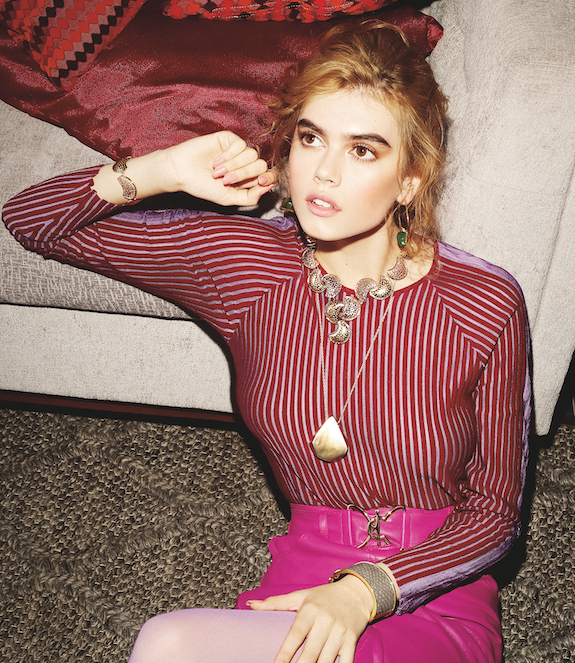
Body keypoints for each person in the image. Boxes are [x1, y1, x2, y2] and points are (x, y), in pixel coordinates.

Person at [2, 20, 530, 663]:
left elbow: (496, 514)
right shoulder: (245, 263)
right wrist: (164, 168)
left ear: (411, 179)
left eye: (363, 151)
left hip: (433, 583)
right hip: (302, 574)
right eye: (311, 138)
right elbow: (32, 221)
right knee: (172, 646)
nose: (324, 172)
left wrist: (369, 589)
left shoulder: (483, 302)